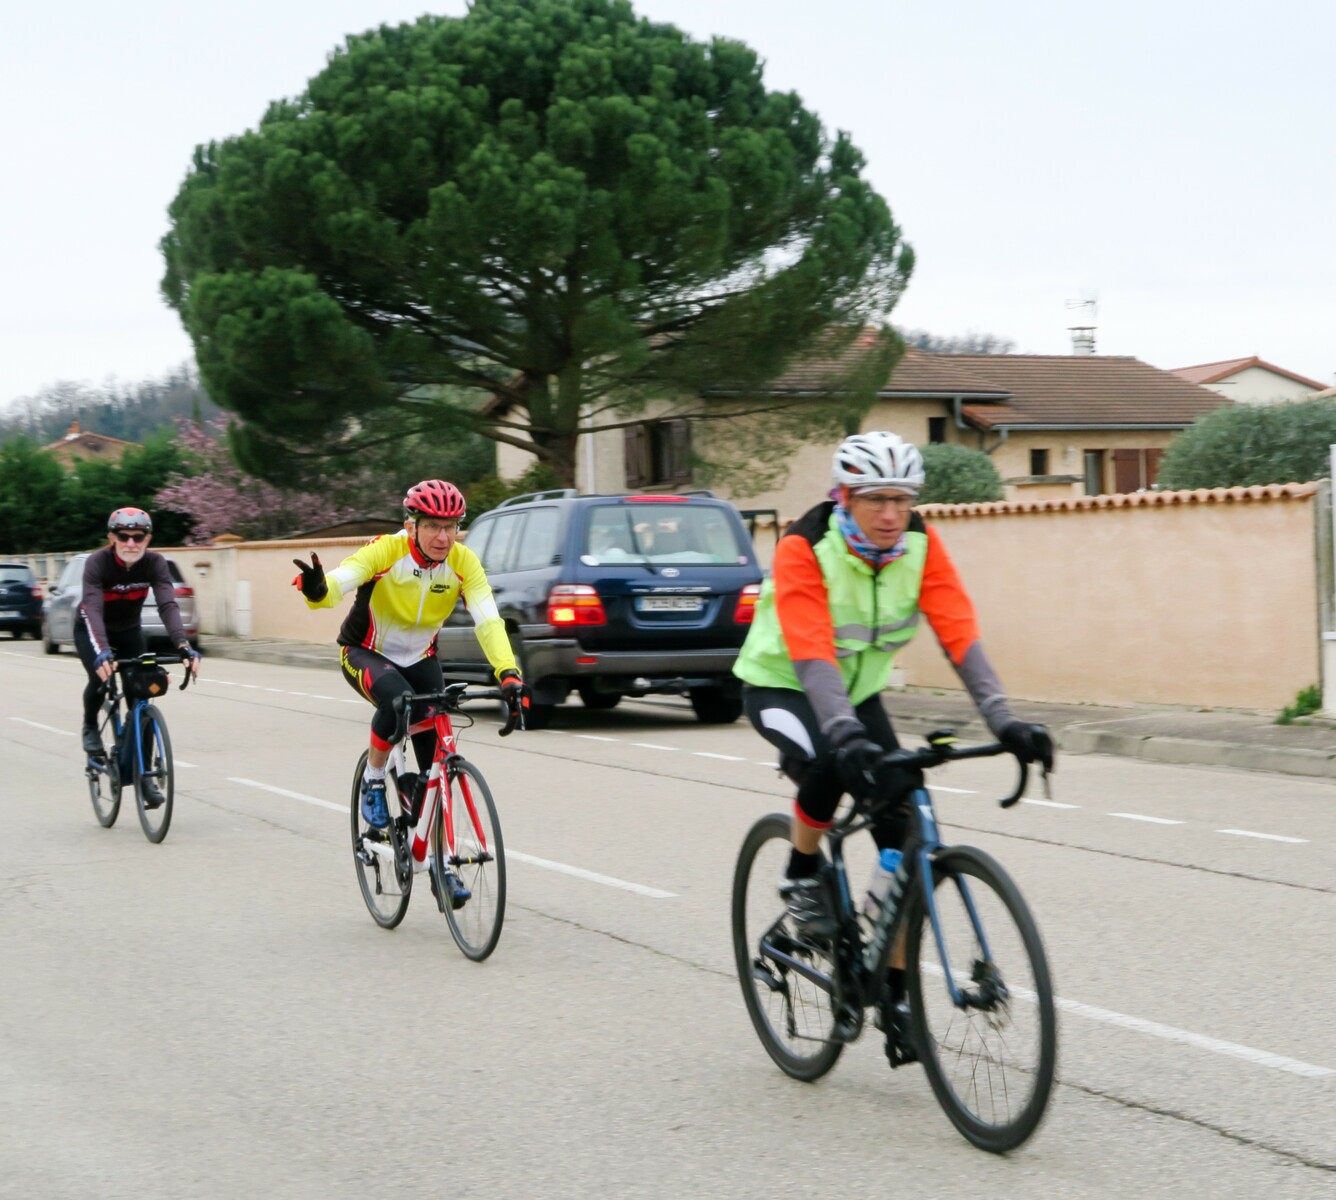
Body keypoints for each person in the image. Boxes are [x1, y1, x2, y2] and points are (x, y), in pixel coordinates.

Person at [733, 431, 1053, 1059]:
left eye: (902, 500)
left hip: (856, 696)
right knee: (829, 759)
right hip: (782, 686)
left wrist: (1006, 722)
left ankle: (898, 997)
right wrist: (845, 733)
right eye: (876, 499)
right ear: (845, 497)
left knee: (903, 838)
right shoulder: (806, 546)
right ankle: (801, 875)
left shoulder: (920, 546)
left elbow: (959, 634)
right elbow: (812, 650)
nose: (890, 514)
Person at [291, 480, 526, 903]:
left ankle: (439, 862)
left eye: (451, 527)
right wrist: (317, 588)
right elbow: (340, 582)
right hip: (365, 651)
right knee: (397, 702)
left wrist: (508, 673)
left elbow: (488, 620)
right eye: (433, 526)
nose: (443, 537)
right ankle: (374, 780)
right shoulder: (386, 551)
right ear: (411, 525)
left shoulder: (464, 563)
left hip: (420, 658)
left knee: (436, 764)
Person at [77, 508, 202, 801]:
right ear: (112, 538)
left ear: (148, 538)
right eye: (123, 536)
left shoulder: (155, 563)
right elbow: (92, 607)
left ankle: (145, 777)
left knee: (141, 697)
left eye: (138, 536)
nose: (131, 543)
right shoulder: (97, 563)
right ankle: (90, 725)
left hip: (129, 631)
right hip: (92, 629)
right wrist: (102, 651)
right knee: (99, 676)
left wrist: (182, 645)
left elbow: (167, 605)